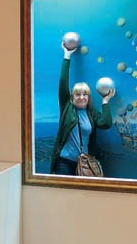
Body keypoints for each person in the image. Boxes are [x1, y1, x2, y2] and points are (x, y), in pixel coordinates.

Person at [49, 43, 115, 175]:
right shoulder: (67, 108)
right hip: (64, 162)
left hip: (85, 163)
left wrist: (105, 102)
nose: (81, 97)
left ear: (88, 97)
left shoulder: (91, 113)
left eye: (85, 94)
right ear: (72, 97)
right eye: (77, 94)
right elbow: (63, 82)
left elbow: (106, 124)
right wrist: (67, 55)